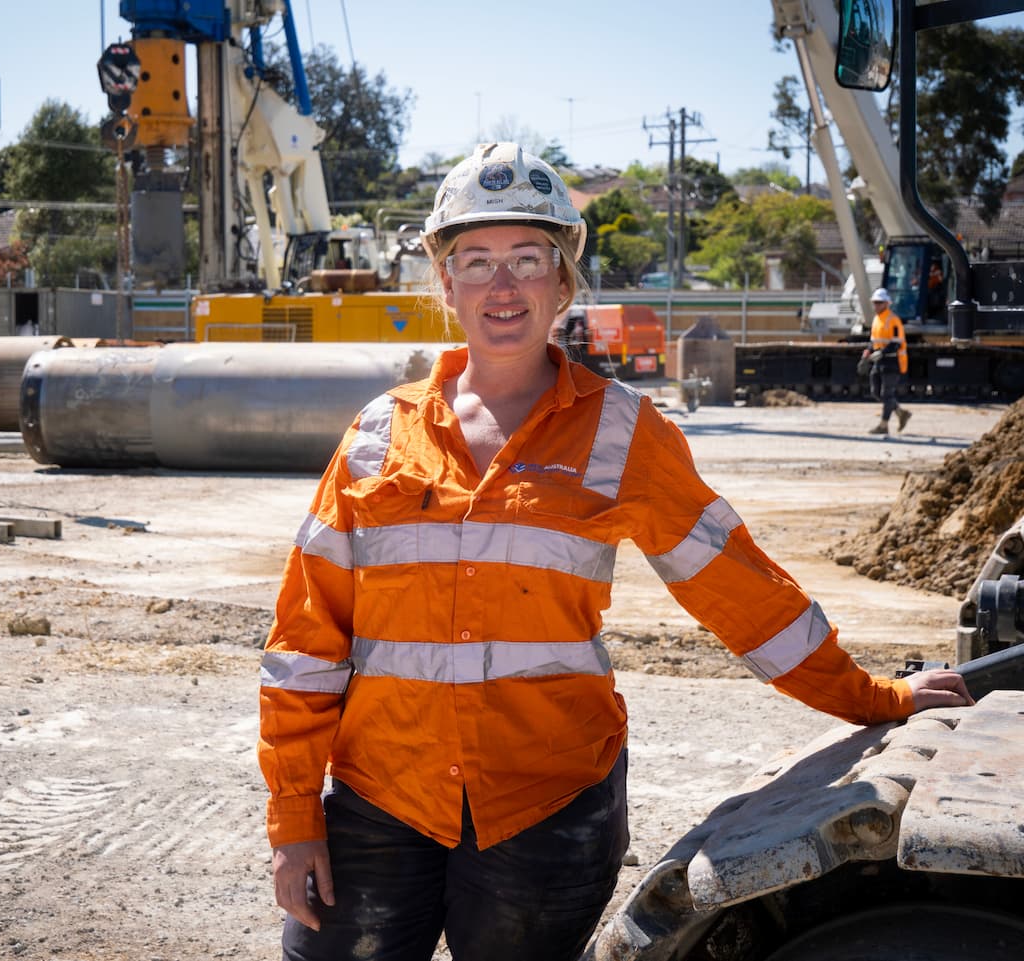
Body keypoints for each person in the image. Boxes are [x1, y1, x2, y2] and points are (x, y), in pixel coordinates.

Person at [257, 143, 972, 961]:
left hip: (547, 811)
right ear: (444, 282)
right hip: (381, 804)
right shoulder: (379, 434)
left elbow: (739, 591)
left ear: (563, 282)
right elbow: (306, 641)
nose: (503, 284)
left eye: (528, 259)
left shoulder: (624, 433)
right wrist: (293, 817)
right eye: (476, 260)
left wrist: (874, 698)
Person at [863, 287, 911, 434]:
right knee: (876, 392)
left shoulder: (894, 320)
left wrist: (882, 353)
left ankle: (883, 426)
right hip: (879, 361)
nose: (876, 305)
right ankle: (900, 412)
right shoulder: (877, 320)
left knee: (887, 394)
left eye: (879, 303)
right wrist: (868, 351)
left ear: (886, 303)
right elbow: (874, 341)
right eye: (875, 303)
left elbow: (896, 343)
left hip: (892, 362)